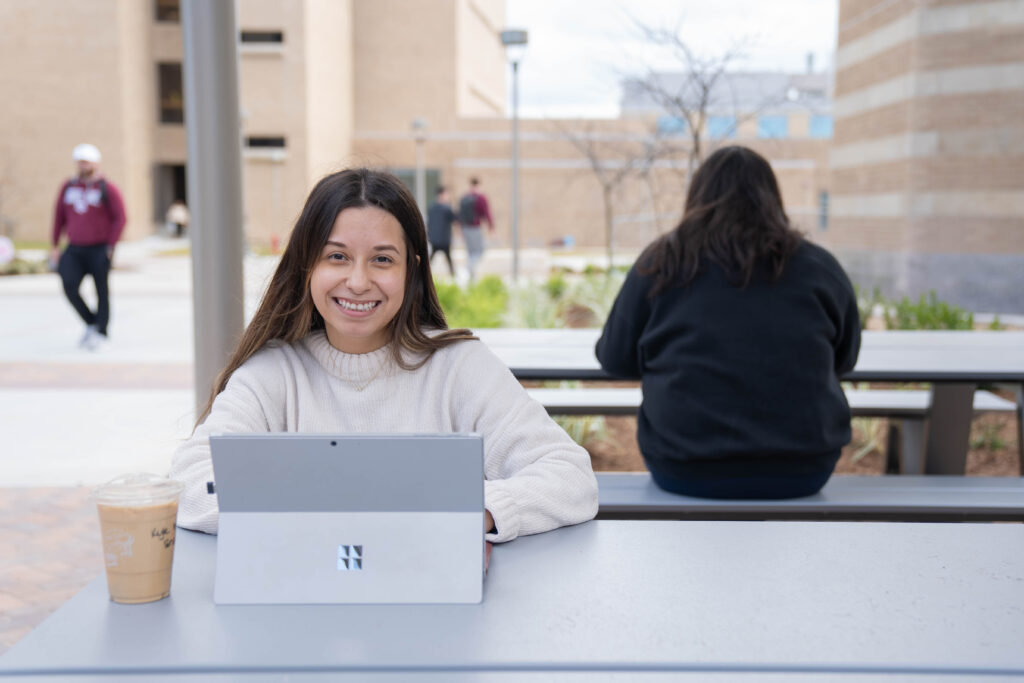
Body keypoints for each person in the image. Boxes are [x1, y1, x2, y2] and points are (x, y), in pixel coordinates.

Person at [169, 168, 598, 542]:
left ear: (411, 269)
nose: (357, 281)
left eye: (382, 259)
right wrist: (370, 511)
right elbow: (190, 482)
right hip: (300, 617)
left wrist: (475, 510)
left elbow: (570, 476)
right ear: (307, 266)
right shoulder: (272, 374)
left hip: (437, 616)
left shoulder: (460, 368)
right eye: (336, 256)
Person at [595, 146, 861, 500]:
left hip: (684, 466)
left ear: (698, 196)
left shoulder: (662, 263)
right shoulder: (818, 266)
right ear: (772, 198)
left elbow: (615, 359)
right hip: (803, 469)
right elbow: (845, 359)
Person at [51, 143, 127, 350]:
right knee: (69, 284)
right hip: (75, 247)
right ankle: (91, 322)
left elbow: (120, 218)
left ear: (95, 163)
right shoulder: (68, 187)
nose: (82, 166)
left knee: (101, 290)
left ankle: (101, 331)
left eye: (86, 162)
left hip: (99, 248)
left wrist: (111, 245)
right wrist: (55, 245)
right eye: (79, 162)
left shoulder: (107, 188)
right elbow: (59, 217)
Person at [457, 177, 494, 281]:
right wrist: (491, 227)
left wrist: (459, 230)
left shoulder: (464, 197)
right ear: (478, 185)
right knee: (479, 251)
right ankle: (467, 269)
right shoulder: (480, 198)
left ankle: (471, 277)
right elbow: (487, 213)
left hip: (465, 228)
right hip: (475, 227)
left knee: (470, 252)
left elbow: (460, 215)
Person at [426, 185, 457, 276]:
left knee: (431, 259)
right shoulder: (447, 208)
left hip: (434, 238)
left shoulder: (431, 208)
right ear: (441, 195)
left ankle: (424, 274)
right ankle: (453, 275)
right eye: (446, 194)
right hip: (444, 239)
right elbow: (455, 218)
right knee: (448, 259)